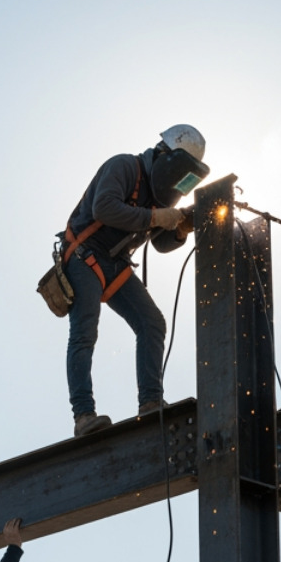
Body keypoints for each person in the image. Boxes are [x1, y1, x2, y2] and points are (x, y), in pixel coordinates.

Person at [59, 125, 209, 437]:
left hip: (115, 263)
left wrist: (180, 228)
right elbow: (105, 207)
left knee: (152, 323)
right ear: (167, 157)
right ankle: (84, 416)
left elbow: (161, 243)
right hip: (85, 254)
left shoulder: (156, 195)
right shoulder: (125, 166)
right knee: (85, 331)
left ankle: (151, 403)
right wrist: (156, 218)